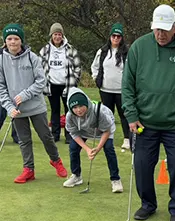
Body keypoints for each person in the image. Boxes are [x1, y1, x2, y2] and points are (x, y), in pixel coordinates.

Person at [122, 4, 175, 221]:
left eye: (165, 30)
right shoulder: (140, 47)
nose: (160, 34)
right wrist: (131, 114)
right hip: (145, 121)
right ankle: (148, 204)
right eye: (156, 29)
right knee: (142, 166)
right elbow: (127, 85)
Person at [0, 23, 68, 183]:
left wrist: (24, 94)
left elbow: (41, 82)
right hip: (16, 110)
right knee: (24, 140)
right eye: (9, 39)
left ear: (21, 40)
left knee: (46, 136)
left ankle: (56, 160)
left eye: (16, 38)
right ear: (5, 41)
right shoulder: (1, 60)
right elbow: (1, 87)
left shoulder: (33, 58)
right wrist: (9, 107)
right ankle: (28, 169)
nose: (13, 42)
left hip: (36, 106)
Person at [63, 87, 123, 193]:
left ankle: (115, 179)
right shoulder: (70, 116)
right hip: (83, 130)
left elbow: (107, 130)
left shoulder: (99, 111)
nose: (78, 110)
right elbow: (74, 133)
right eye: (75, 107)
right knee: (73, 147)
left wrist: (98, 148)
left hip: (104, 130)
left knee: (109, 148)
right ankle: (76, 176)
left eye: (81, 106)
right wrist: (87, 149)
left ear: (86, 103)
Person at [39, 22, 81, 144]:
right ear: (51, 35)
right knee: (55, 110)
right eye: (55, 34)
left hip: (67, 85)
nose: (57, 37)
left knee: (69, 110)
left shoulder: (70, 49)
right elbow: (39, 67)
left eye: (59, 34)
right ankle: (55, 135)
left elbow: (78, 67)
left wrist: (75, 80)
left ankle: (69, 135)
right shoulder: (45, 50)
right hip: (51, 85)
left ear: (62, 35)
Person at [91, 23, 130, 150]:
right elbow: (95, 66)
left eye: (118, 36)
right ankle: (107, 137)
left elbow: (130, 69)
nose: (116, 38)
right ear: (110, 37)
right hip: (105, 89)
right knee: (107, 115)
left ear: (121, 38)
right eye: (114, 36)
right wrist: (96, 78)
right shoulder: (102, 51)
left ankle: (127, 139)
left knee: (124, 114)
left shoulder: (126, 52)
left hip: (121, 90)